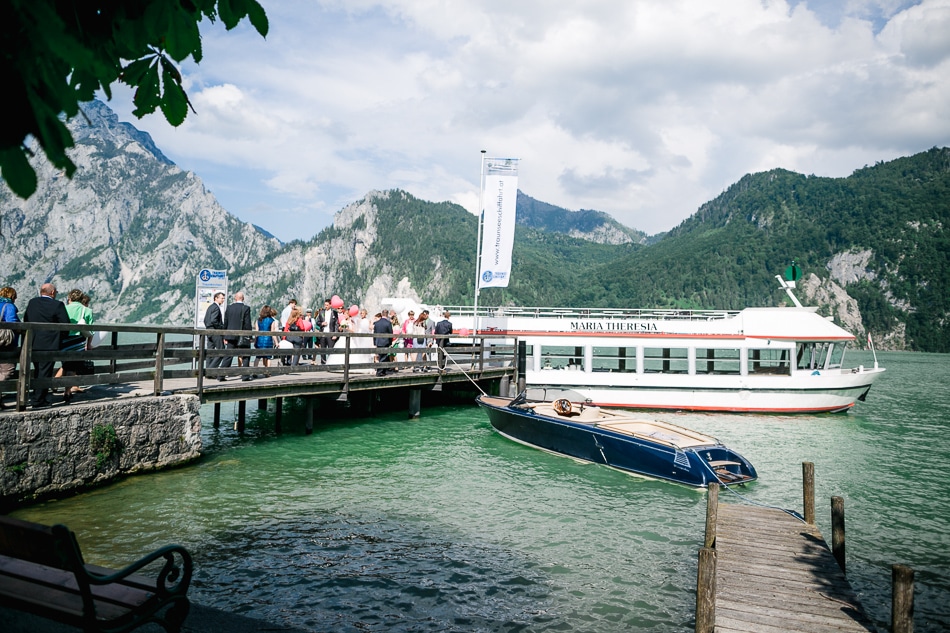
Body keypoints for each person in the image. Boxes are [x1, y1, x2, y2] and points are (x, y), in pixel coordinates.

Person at [23, 283, 70, 407]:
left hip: (32, 342)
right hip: (50, 344)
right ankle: (39, 400)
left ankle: (36, 396)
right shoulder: (57, 305)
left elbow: (26, 320)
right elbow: (66, 325)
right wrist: (60, 338)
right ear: (53, 292)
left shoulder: (32, 302)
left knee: (37, 370)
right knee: (45, 372)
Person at [222, 292, 253, 379]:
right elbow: (247, 324)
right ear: (243, 298)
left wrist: (224, 336)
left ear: (235, 298)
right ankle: (245, 375)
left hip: (230, 336)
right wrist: (250, 336)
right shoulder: (246, 308)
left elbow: (226, 322)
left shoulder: (229, 308)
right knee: (245, 355)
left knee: (228, 356)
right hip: (242, 336)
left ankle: (221, 375)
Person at [0, 286, 20, 409]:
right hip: (6, 343)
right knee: (8, 369)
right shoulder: (9, 306)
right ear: (12, 296)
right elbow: (12, 321)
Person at [203, 292, 226, 371]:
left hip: (208, 331)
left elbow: (205, 320)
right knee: (221, 351)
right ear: (216, 298)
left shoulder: (210, 307)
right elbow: (214, 321)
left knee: (210, 352)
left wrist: (208, 327)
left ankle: (207, 371)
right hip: (215, 332)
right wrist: (221, 327)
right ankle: (211, 370)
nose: (223, 300)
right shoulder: (216, 308)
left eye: (223, 298)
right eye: (222, 298)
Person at [253, 305, 278, 374]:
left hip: (259, 339)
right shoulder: (271, 320)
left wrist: (255, 341)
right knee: (268, 357)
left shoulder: (258, 320)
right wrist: (276, 342)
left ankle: (254, 371)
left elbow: (256, 331)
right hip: (268, 340)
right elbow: (272, 332)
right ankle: (267, 372)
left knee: (258, 357)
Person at [373, 309, 394, 376]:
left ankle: (383, 371)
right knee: (384, 357)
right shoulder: (388, 323)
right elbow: (391, 334)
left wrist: (374, 342)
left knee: (381, 356)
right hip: (385, 342)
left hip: (378, 342)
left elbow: (374, 333)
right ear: (387, 314)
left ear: (382, 314)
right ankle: (379, 371)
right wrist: (390, 342)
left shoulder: (377, 323)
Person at [317, 298, 338, 364]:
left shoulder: (334, 313)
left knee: (331, 349)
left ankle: (330, 362)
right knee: (323, 349)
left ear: (330, 305)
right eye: (325, 305)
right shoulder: (321, 312)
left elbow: (336, 324)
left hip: (330, 333)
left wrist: (335, 334)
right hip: (323, 333)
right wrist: (322, 323)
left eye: (327, 305)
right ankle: (323, 363)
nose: (325, 306)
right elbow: (317, 322)